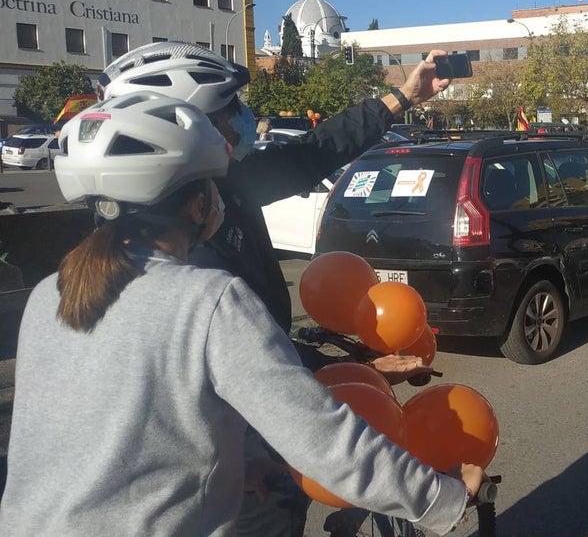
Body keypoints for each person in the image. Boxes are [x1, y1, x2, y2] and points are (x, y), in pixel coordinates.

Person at [0, 92, 484, 535]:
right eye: (215, 185)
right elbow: (327, 442)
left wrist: (235, 469)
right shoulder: (207, 299)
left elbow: (104, 433)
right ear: (195, 204)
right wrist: (444, 498)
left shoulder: (52, 292)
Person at [97, 41, 450, 536]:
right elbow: (260, 370)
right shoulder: (184, 270)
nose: (244, 119)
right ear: (184, 126)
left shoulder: (220, 187)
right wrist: (440, 498)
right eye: (229, 110)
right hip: (221, 466)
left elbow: (311, 153)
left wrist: (403, 97)